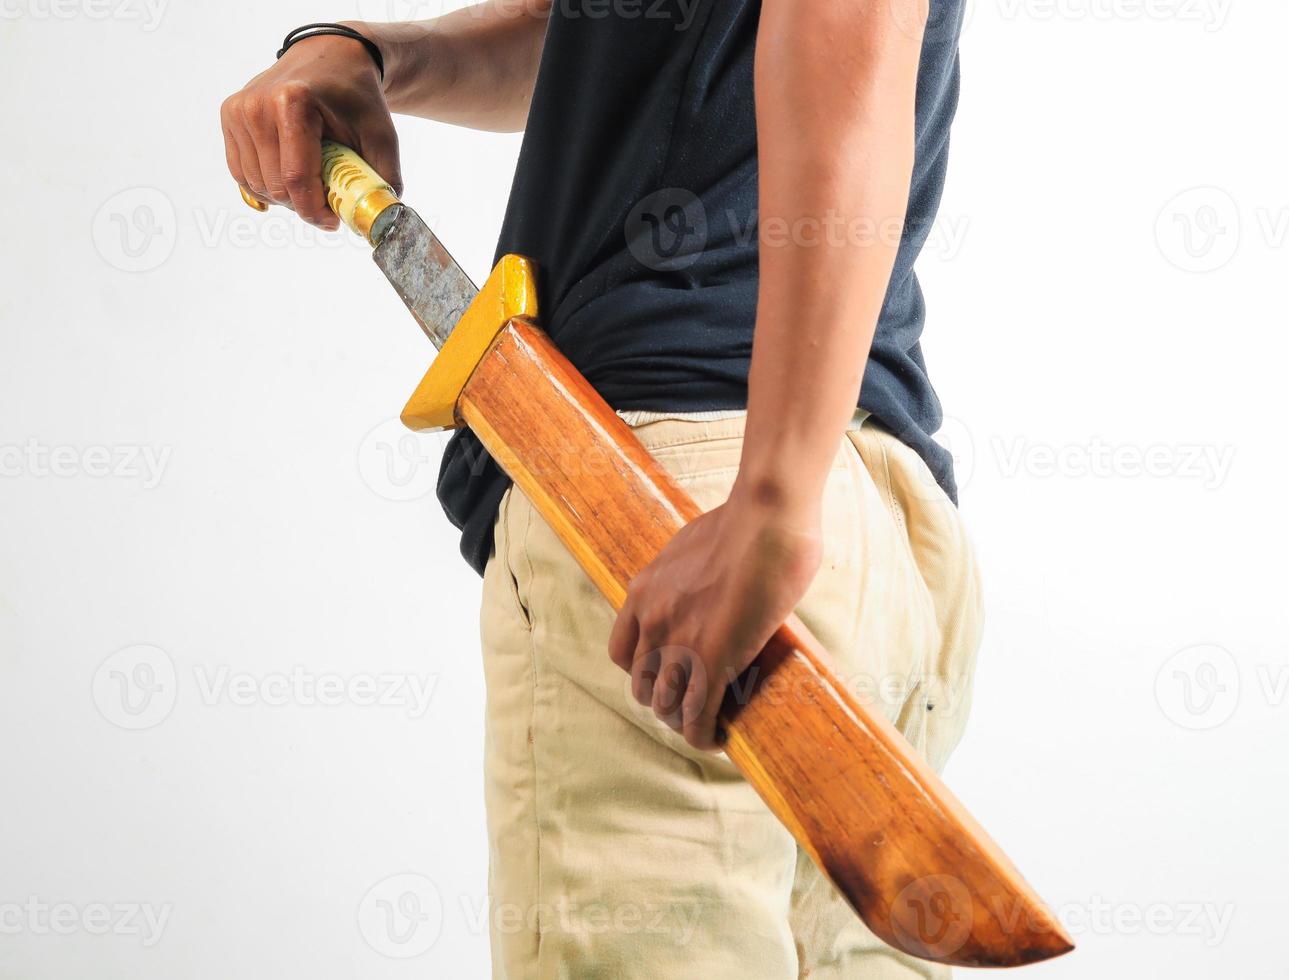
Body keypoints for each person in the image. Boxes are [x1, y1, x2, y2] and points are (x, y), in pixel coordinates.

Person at [220, 2, 982, 975]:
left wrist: (774, 503)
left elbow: (843, 27)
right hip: (857, 517)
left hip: (675, 509)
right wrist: (375, 58)